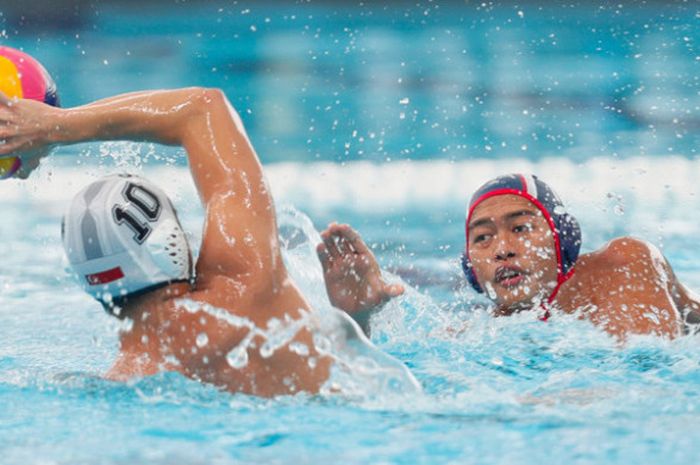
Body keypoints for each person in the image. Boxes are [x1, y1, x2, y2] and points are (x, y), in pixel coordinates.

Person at [0, 88, 418, 396]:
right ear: (169, 241)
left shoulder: (118, 383)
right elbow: (202, 110)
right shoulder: (245, 285)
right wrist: (53, 127)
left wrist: (355, 324)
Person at [317, 174, 700, 340]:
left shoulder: (624, 265)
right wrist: (357, 320)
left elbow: (647, 370)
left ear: (562, 238)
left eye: (520, 228)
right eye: (482, 238)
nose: (502, 249)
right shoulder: (475, 336)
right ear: (470, 267)